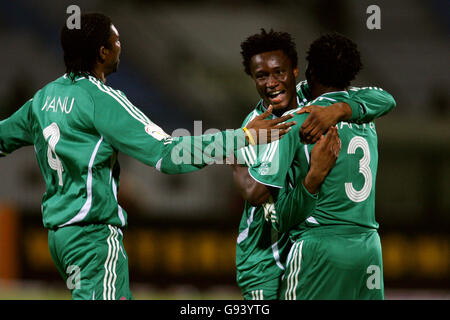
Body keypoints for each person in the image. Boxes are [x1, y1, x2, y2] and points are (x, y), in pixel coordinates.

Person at [0, 13, 295, 300]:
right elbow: (167, 154)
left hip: (58, 237)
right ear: (102, 52)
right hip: (91, 237)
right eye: (116, 42)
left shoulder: (43, 98)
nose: (120, 47)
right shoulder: (101, 99)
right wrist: (242, 137)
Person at [231, 29, 396, 300]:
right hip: (265, 257)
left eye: (279, 73)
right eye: (262, 76)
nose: (271, 83)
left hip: (311, 246)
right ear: (252, 78)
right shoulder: (256, 126)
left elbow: (387, 99)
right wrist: (232, 151)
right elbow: (254, 192)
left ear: (299, 71)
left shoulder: (307, 110)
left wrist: (338, 110)